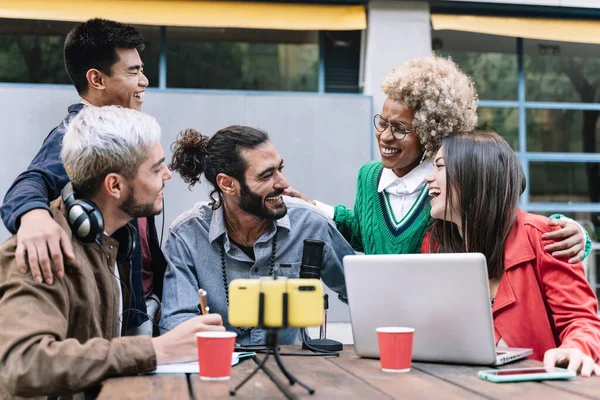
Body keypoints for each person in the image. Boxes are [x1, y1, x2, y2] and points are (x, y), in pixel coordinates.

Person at [0, 106, 224, 399]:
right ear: (115, 185)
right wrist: (156, 349)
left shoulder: (114, 241)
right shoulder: (42, 251)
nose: (168, 174)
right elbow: (23, 364)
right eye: (156, 168)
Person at [286, 55, 589, 261]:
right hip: (379, 311)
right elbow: (365, 234)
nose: (385, 137)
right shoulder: (368, 175)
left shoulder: (450, 182)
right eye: (383, 123)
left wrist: (574, 233)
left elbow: (501, 223)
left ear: (432, 132)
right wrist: (315, 209)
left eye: (400, 129)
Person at [0, 18, 165, 334]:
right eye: (133, 72)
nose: (144, 81)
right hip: (122, 318)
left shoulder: (120, 130)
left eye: (142, 69)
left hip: (139, 301)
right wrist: (34, 218)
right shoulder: (81, 135)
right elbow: (28, 184)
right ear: (97, 79)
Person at [422, 130, 600, 376]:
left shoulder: (545, 236)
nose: (428, 179)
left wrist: (576, 348)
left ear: (474, 174)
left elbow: (582, 321)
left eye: (440, 167)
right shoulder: (435, 244)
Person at [160, 126, 353, 345]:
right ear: (227, 184)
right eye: (266, 175)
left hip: (292, 368)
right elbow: (176, 321)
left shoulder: (311, 224)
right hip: (219, 367)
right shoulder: (187, 235)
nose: (283, 183)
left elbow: (361, 293)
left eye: (280, 169)